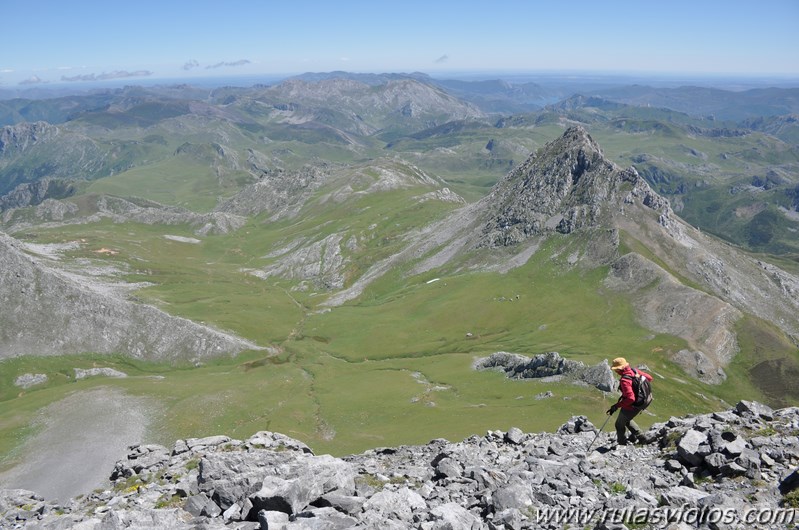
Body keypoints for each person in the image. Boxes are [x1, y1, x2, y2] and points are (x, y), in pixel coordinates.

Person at [606, 357, 653, 445]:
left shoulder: (625, 380)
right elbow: (649, 378)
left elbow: (631, 399)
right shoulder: (634, 371)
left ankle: (622, 443)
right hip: (643, 401)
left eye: (616, 369)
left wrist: (616, 406)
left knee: (619, 424)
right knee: (626, 420)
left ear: (620, 369)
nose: (615, 371)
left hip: (631, 406)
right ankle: (641, 437)